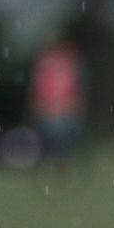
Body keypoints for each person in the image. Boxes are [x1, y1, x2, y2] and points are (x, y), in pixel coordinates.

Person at [29, 39, 85, 167]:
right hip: (50, 114)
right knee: (52, 145)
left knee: (62, 146)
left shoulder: (67, 69)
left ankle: (59, 166)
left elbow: (75, 96)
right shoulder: (45, 69)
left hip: (63, 114)